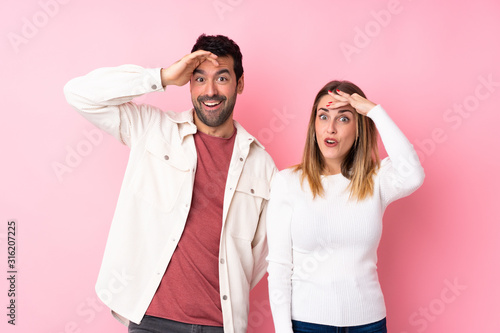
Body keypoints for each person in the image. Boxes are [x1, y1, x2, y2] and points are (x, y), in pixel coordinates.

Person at [64, 34, 276, 333]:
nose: (210, 91)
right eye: (199, 79)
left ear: (239, 84)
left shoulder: (262, 165)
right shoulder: (153, 129)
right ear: (188, 82)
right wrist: (162, 76)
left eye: (222, 78)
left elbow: (260, 255)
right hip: (151, 321)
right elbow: (79, 93)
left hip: (220, 325)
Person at [266, 80, 425, 333]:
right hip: (308, 325)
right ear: (313, 126)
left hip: (369, 324)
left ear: (359, 128)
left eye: (343, 118)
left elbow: (413, 175)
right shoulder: (288, 183)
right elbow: (279, 267)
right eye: (323, 116)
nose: (330, 128)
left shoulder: (375, 179)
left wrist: (374, 111)